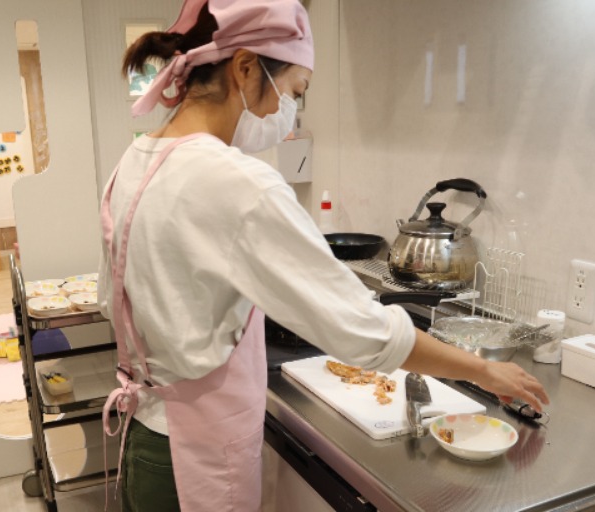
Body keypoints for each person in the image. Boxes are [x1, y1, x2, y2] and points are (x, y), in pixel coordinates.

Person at [98, 1, 549, 511]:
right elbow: (364, 331)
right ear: (245, 68)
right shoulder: (236, 182)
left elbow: (109, 299)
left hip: (145, 439)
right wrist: (482, 371)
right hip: (195, 459)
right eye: (294, 92)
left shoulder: (135, 161)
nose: (286, 115)